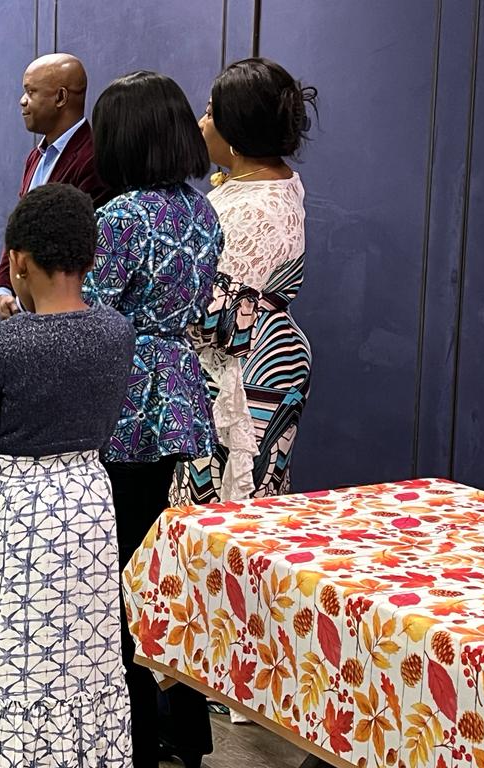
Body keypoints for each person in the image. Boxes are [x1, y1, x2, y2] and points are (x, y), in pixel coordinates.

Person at [0, 183, 135, 767]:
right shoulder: (117, 333)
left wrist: (2, 506)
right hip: (90, 501)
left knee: (14, 657)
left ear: (19, 262)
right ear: (90, 258)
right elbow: (106, 425)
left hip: (19, 509)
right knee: (87, 654)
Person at [82, 71, 222, 768]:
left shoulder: (120, 217)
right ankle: (185, 728)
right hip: (177, 385)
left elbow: (92, 310)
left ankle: (133, 734)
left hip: (124, 387)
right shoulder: (203, 211)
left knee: (118, 571)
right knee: (154, 558)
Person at [171, 58, 317, 509]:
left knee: (227, 505)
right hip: (249, 359)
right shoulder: (262, 183)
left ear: (235, 130)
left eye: (210, 112)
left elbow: (217, 310)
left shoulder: (257, 207)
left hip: (243, 369)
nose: (201, 123)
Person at [0, 53, 109, 319]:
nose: (22, 101)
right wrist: (2, 289)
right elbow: (19, 230)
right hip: (26, 312)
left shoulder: (91, 160)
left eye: (31, 92)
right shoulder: (36, 157)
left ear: (60, 97)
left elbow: (80, 249)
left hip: (58, 315)